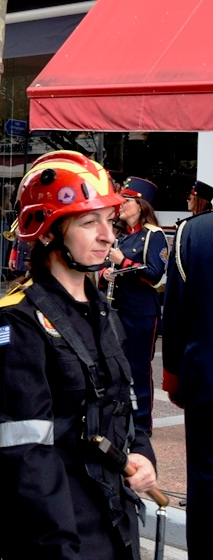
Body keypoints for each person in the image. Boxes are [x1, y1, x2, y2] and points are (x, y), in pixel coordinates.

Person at [0, 150, 158, 559]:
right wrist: (60, 546)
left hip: (112, 524)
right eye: (88, 221)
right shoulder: (15, 324)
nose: (108, 236)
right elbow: (24, 454)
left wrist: (142, 455)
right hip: (54, 535)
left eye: (109, 221)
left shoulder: (104, 313)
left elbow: (121, 407)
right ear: (46, 233)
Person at [162, 205, 213, 556]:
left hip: (206, 380)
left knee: (207, 483)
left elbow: (175, 313)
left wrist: (173, 377)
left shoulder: (193, 232)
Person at [101, 176, 167, 434]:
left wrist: (122, 262)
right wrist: (107, 272)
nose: (122, 204)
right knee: (115, 367)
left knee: (138, 368)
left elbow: (155, 274)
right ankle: (119, 420)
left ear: (141, 205)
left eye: (127, 200)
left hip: (140, 312)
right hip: (117, 308)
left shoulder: (153, 235)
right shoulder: (121, 234)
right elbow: (111, 267)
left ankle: (141, 425)